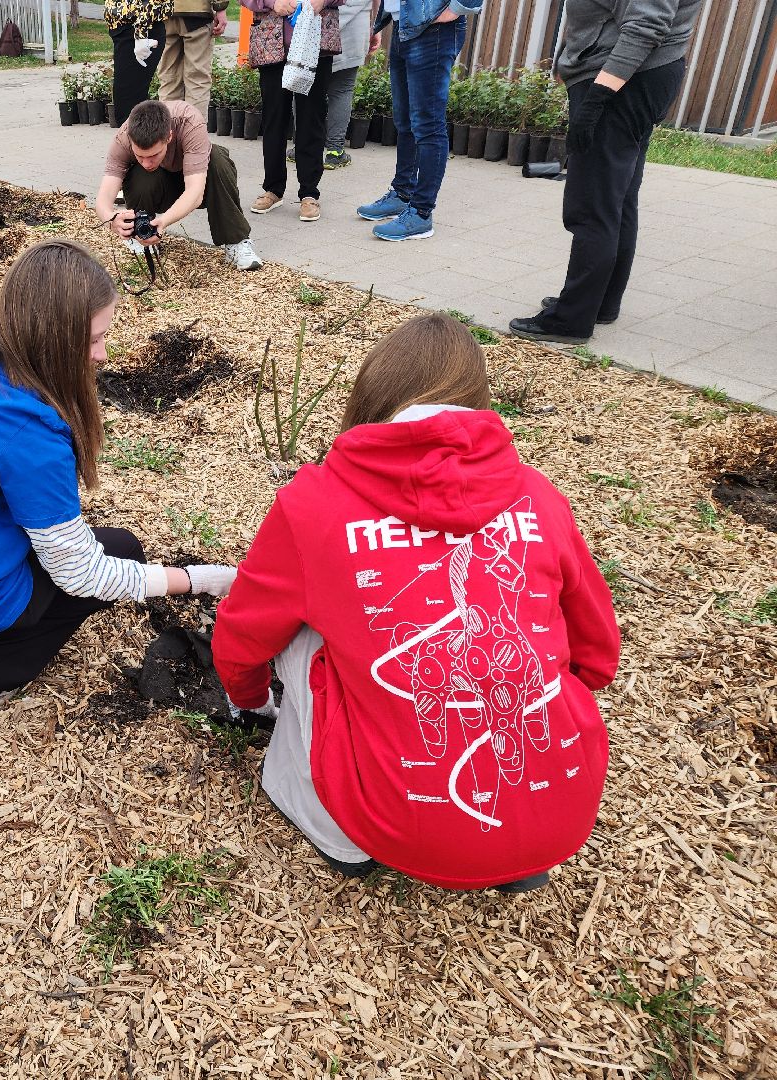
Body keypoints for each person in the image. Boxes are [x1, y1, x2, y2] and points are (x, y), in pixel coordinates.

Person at [212, 313, 620, 893]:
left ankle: (337, 837)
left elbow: (244, 632)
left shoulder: (314, 503)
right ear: (479, 402)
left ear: (372, 394)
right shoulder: (539, 496)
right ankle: (516, 828)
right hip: (561, 814)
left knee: (301, 631)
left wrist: (248, 699)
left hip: (391, 817)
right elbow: (598, 651)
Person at [0, 240, 239, 712]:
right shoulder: (28, 435)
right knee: (118, 556)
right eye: (92, 339)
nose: (101, 355)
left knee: (102, 548)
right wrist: (201, 579)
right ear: (53, 338)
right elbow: (83, 573)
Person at [508, 0, 701, 345]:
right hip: (639, 76)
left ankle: (571, 320)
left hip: (620, 81)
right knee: (619, 197)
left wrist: (598, 95)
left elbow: (647, 24)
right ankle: (599, 303)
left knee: (592, 205)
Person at [356, 0, 483, 241]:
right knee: (404, 121)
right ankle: (402, 193)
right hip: (404, 26)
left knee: (428, 125)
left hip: (433, 30)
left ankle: (422, 213)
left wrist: (455, 9)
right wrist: (381, 22)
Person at [95, 98, 263, 271]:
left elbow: (195, 192)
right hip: (159, 184)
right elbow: (104, 198)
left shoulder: (190, 122)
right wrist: (111, 220)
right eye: (140, 156)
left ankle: (236, 241)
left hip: (197, 181)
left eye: (153, 155)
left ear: (169, 136)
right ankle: (141, 232)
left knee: (217, 161)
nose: (146, 162)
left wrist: (164, 221)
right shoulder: (122, 138)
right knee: (139, 173)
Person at [244, 0, 339, 221]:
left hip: (315, 43)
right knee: (273, 119)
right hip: (271, 43)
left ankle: (309, 192)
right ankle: (273, 189)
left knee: (311, 118)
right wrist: (272, 3)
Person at [157, 0, 225, 120]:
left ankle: (167, 133)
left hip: (163, 10)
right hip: (196, 11)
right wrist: (220, 7)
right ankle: (194, 133)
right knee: (197, 79)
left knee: (168, 78)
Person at [104, 0, 170, 126]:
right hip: (127, 26)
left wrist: (141, 33)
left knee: (128, 109)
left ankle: (138, 144)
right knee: (126, 106)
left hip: (138, 27)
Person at [321, 0, 370, 168]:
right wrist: (374, 27)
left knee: (305, 88)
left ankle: (302, 147)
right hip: (355, 27)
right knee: (342, 90)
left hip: (319, 23)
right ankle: (335, 151)